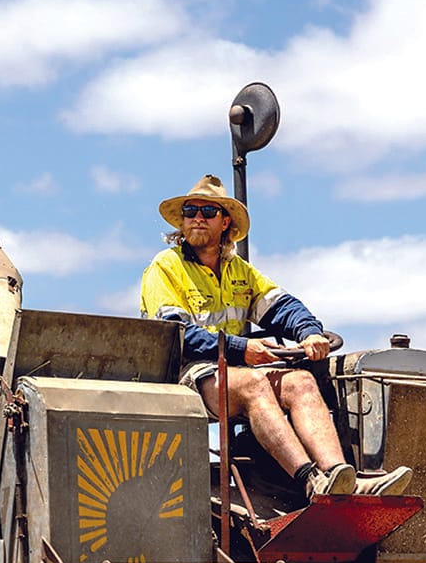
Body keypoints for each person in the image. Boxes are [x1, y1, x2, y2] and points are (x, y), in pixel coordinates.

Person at [139, 174, 412, 500]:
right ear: (182, 220)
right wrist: (243, 348)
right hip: (186, 377)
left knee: (300, 381)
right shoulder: (165, 267)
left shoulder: (238, 271)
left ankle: (343, 481)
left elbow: (283, 306)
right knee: (256, 384)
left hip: (233, 371)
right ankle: (312, 482)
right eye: (190, 210)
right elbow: (175, 334)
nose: (197, 217)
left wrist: (309, 333)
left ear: (224, 222)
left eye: (208, 212)